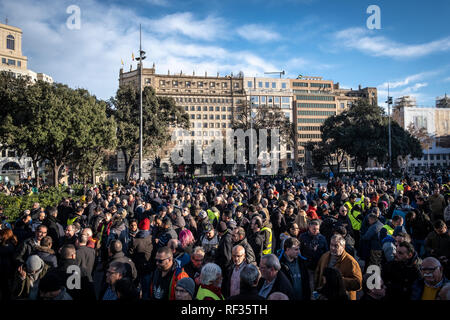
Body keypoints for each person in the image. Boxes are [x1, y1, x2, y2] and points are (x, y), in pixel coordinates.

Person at [315, 234, 362, 300]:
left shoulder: (351, 262)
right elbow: (318, 273)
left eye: (336, 246)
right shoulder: (325, 256)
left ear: (343, 247)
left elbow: (358, 283)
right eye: (331, 244)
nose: (332, 248)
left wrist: (339, 280)